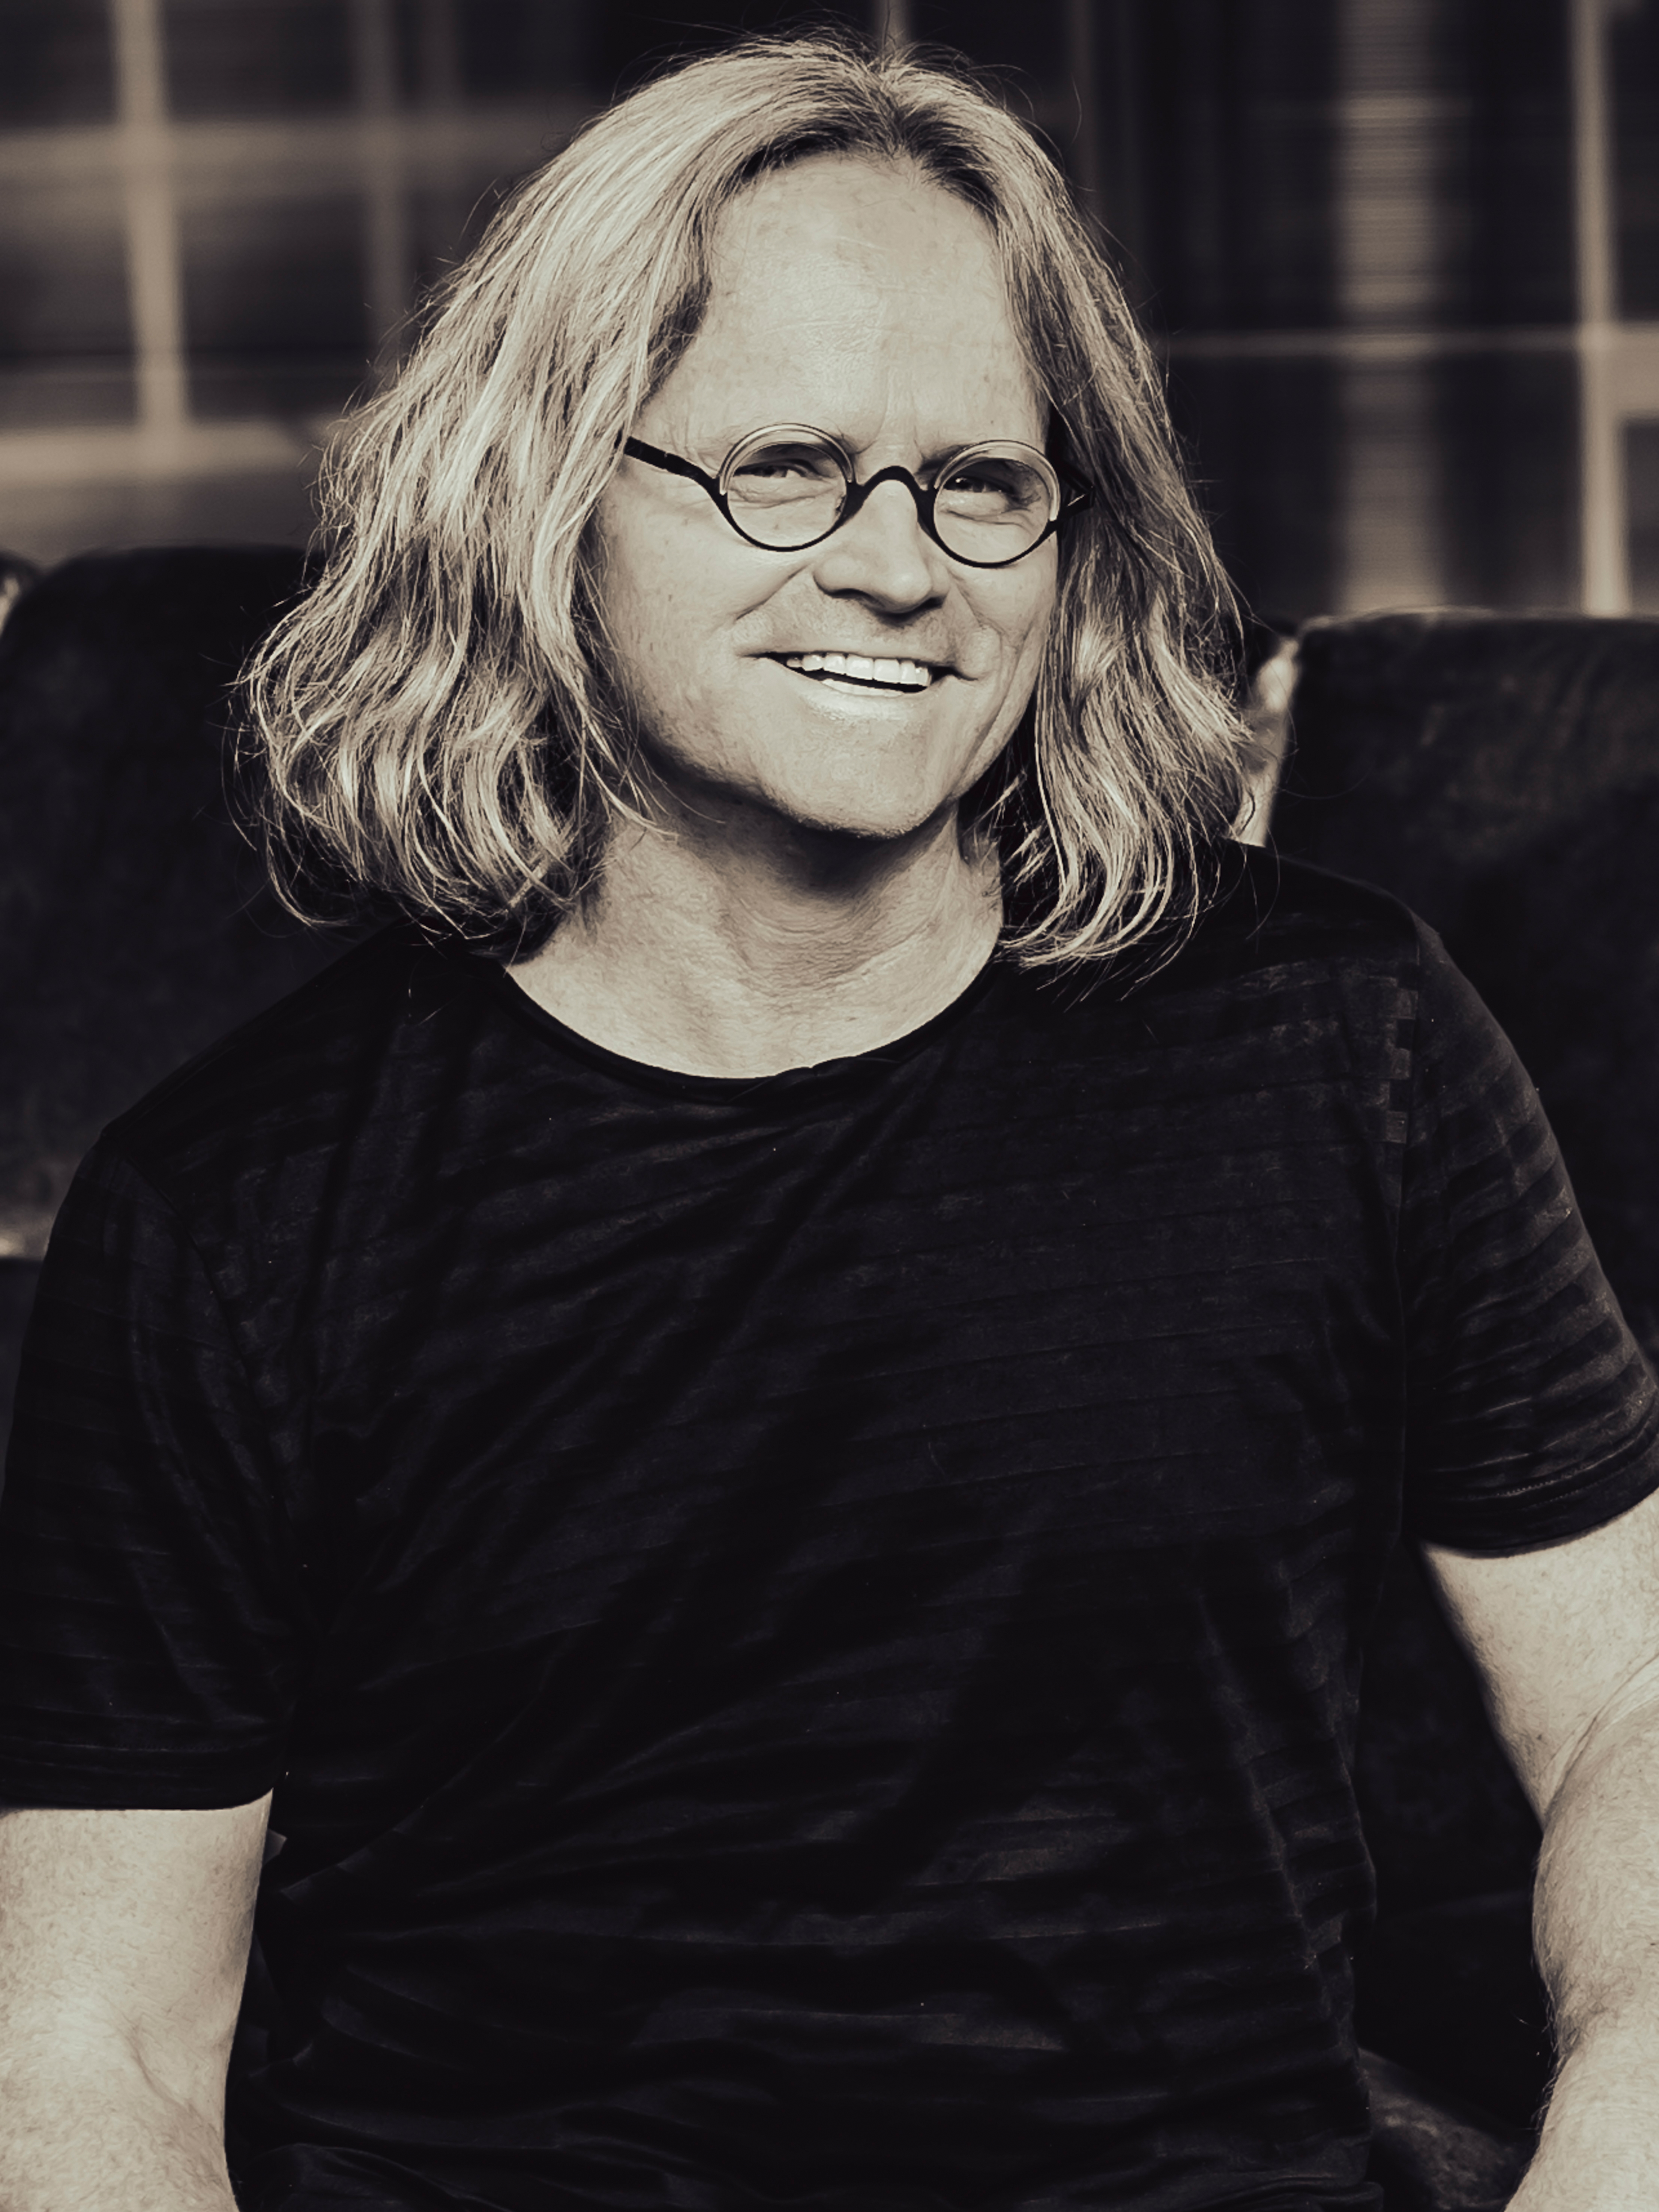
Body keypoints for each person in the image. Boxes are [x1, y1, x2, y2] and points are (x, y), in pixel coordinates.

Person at [1, 33, 1657, 2212]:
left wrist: (1619, 2125)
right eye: (784, 464)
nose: (901, 565)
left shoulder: (1338, 1038)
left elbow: (1629, 1700)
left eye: (979, 481)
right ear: (544, 496)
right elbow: (97, 2049)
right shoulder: (230, 1208)